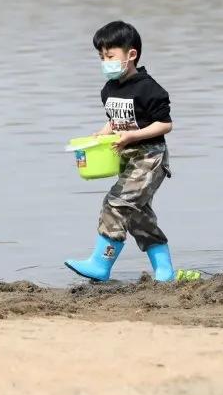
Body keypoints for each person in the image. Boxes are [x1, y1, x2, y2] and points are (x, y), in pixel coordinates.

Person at [65, 20, 181, 282]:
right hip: (128, 159)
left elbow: (165, 124)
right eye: (101, 57)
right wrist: (105, 131)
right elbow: (117, 119)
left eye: (110, 56)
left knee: (115, 204)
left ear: (131, 55)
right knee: (139, 216)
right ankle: (165, 272)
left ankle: (100, 264)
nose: (105, 61)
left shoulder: (149, 88)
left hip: (150, 158)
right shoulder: (109, 89)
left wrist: (132, 136)